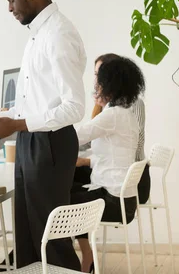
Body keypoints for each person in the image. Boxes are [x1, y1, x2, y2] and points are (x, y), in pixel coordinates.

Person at [0, 0, 86, 270]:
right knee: (28, 236)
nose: (9, 8)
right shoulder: (38, 34)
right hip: (33, 140)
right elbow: (38, 102)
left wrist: (17, 124)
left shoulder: (58, 35)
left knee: (50, 238)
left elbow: (74, 107)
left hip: (51, 145)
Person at [71, 56, 146, 273]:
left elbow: (75, 136)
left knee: (58, 202)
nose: (96, 86)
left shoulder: (112, 116)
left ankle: (71, 264)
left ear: (109, 85)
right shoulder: (125, 115)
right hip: (123, 201)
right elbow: (115, 159)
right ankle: (85, 261)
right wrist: (85, 161)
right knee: (70, 192)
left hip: (112, 202)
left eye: (99, 81)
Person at [76, 53, 150, 204]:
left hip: (117, 194)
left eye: (99, 76)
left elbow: (77, 136)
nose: (96, 82)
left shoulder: (115, 114)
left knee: (57, 199)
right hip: (121, 193)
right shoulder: (123, 112)